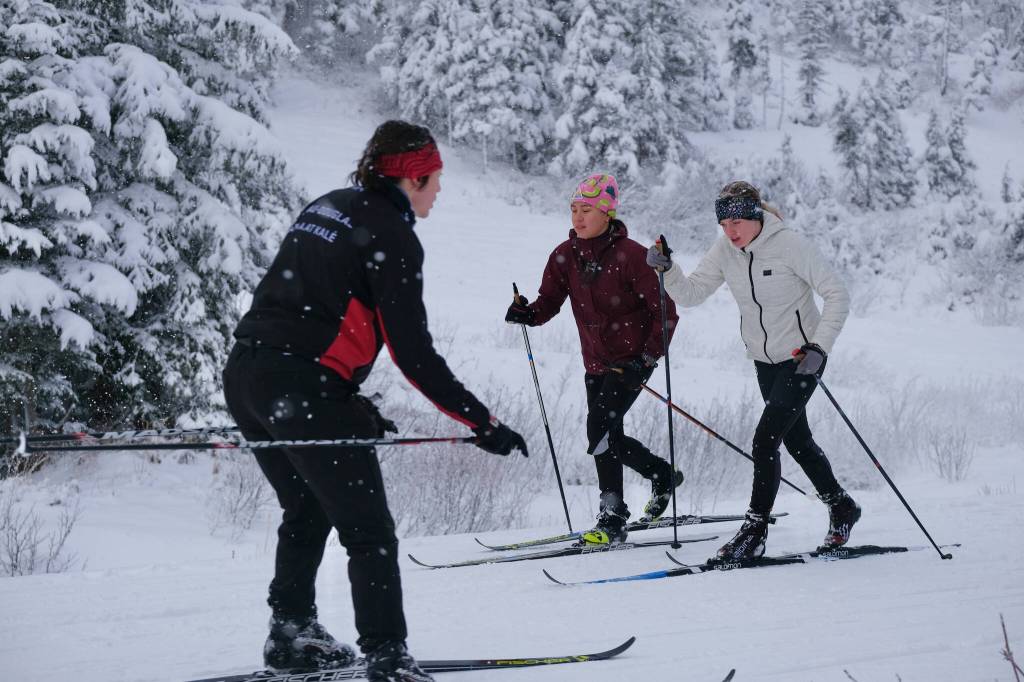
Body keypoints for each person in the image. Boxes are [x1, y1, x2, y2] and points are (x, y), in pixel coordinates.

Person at [223, 120, 528, 682]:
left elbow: (309, 307)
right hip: (301, 388)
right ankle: (388, 658)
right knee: (369, 532)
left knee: (307, 505)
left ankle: (291, 631)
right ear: (413, 178)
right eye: (435, 180)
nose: (440, 191)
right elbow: (414, 355)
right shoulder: (391, 234)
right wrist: (482, 421)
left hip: (247, 376)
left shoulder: (329, 205)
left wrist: (344, 398)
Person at [647, 180, 860, 561]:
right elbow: (693, 294)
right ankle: (841, 504)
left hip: (802, 357)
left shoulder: (789, 245)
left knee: (765, 440)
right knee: (796, 441)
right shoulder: (725, 250)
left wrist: (819, 347)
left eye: (737, 225)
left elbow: (837, 294)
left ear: (755, 215)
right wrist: (668, 269)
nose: (731, 233)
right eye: (724, 226)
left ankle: (755, 529)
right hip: (764, 360)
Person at [505, 172, 682, 546]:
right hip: (596, 364)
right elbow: (548, 303)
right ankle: (660, 474)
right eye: (573, 209)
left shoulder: (631, 255)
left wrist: (647, 356)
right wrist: (527, 314)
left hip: (632, 361)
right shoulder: (564, 256)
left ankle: (613, 514)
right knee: (607, 433)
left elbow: (666, 311)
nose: (577, 217)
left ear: (607, 212)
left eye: (586, 209)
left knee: (599, 428)